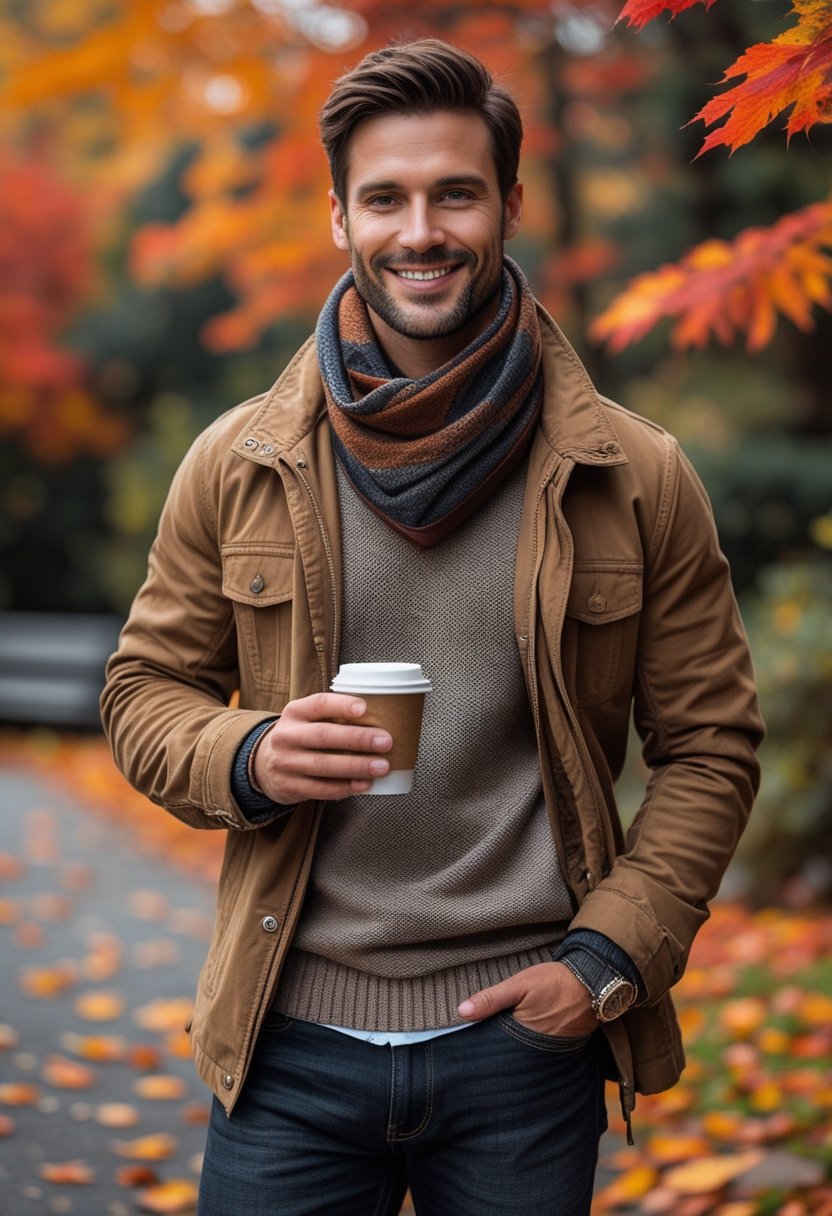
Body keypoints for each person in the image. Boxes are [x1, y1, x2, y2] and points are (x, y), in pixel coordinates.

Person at [101, 38, 764, 1216]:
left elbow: (709, 745)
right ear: (339, 217)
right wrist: (245, 755)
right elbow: (143, 691)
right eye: (386, 198)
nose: (422, 230)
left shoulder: (634, 471)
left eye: (455, 192)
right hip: (288, 1042)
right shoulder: (236, 461)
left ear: (508, 203)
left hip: (523, 1050)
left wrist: (605, 961)